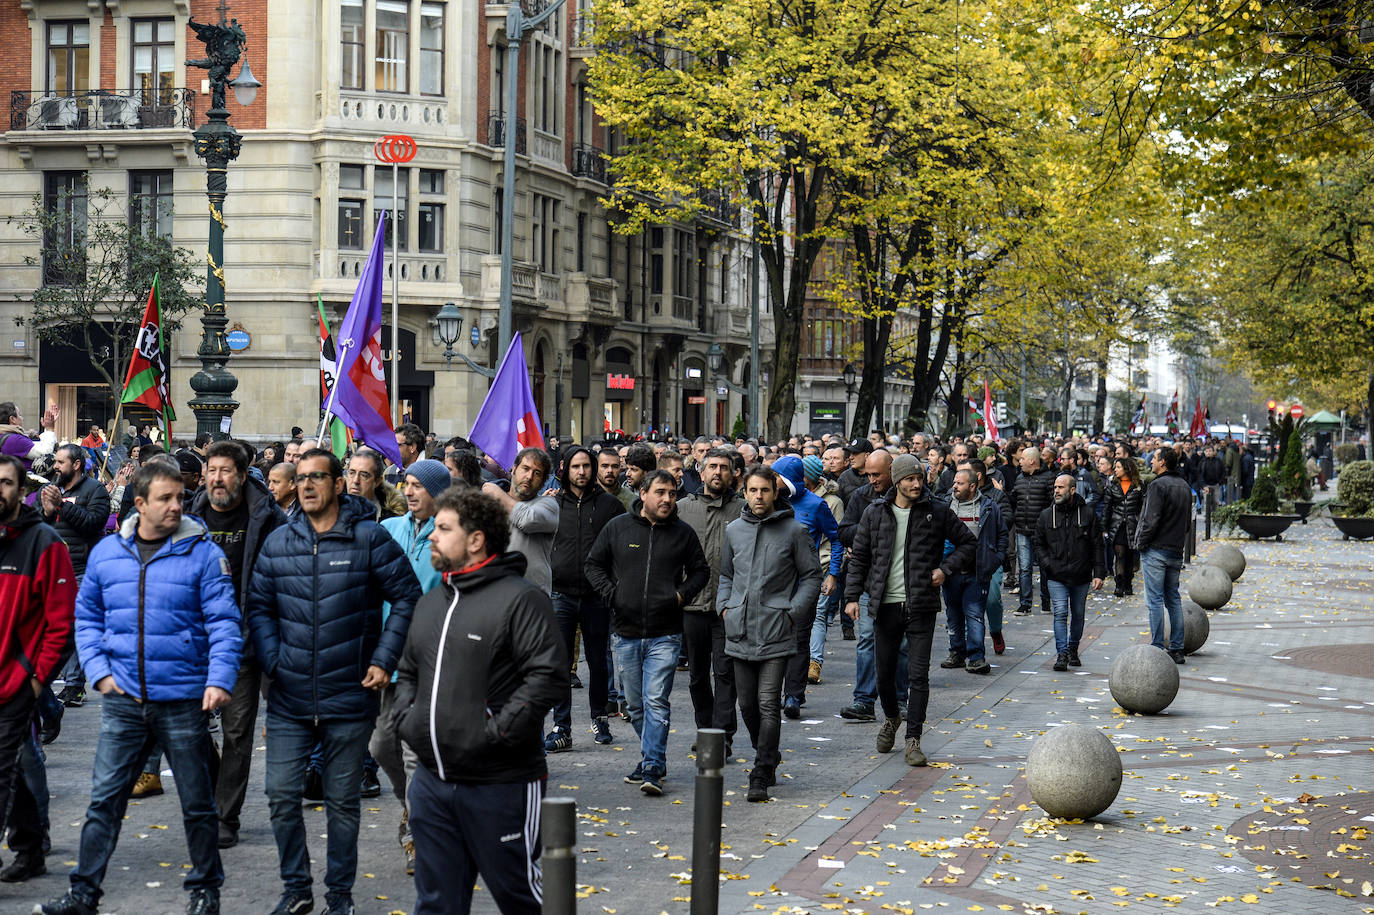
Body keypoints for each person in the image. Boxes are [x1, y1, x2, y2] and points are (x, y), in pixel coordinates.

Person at [36, 460, 240, 915]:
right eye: (165, 499)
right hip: (123, 700)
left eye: (180, 498)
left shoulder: (203, 553)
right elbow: (86, 617)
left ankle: (205, 891)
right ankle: (83, 893)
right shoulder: (110, 553)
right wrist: (98, 670)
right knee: (104, 802)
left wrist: (219, 679)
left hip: (184, 699)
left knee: (197, 803)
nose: (176, 506)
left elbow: (225, 622)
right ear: (140, 503)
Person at [246, 449, 421, 915]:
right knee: (282, 795)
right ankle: (296, 889)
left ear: (339, 485)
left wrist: (384, 658)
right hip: (289, 695)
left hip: (349, 695)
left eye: (317, 477)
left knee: (343, 803)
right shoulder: (280, 542)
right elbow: (258, 607)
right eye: (300, 478)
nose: (306, 485)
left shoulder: (370, 539)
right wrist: (273, 658)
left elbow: (407, 597)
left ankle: (339, 897)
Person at [392, 487, 564, 915]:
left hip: (499, 784)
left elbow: (547, 678)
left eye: (444, 528)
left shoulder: (521, 600)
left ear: (475, 540)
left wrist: (493, 735)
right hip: (432, 785)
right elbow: (409, 670)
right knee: (436, 904)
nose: (432, 536)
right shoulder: (431, 602)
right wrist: (408, 722)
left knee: (522, 900)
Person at [844, 454, 975, 767]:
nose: (916, 484)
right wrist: (851, 597)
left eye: (920, 478)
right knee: (884, 675)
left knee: (918, 676)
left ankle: (913, 739)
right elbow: (859, 558)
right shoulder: (875, 513)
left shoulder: (937, 512)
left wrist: (945, 569)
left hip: (921, 606)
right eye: (910, 479)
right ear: (898, 481)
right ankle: (891, 717)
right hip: (884, 606)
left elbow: (968, 544)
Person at [187, 441, 287, 850]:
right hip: (192, 644)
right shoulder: (188, 515)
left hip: (243, 642)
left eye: (226, 471)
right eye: (212, 470)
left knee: (237, 732)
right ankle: (215, 791)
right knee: (188, 729)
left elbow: (282, 579)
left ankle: (225, 815)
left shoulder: (267, 518)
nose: (217, 478)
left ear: (243, 476)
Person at [585, 470, 709, 796]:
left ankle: (653, 765)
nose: (667, 499)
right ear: (643, 494)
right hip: (624, 633)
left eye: (672, 493)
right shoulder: (618, 528)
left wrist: (680, 596)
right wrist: (612, 595)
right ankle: (651, 758)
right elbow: (593, 565)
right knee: (635, 706)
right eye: (660, 492)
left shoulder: (682, 533)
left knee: (656, 700)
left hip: (665, 633)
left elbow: (700, 571)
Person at [717, 468, 821, 802]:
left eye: (765, 490)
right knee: (746, 704)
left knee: (767, 704)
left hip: (777, 629)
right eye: (752, 490)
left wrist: (793, 611)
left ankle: (760, 772)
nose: (759, 496)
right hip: (740, 628)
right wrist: (725, 607)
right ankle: (768, 752)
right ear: (744, 492)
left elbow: (811, 576)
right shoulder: (733, 530)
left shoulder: (794, 530)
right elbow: (725, 574)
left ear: (775, 493)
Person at [0, 454, 76, 884]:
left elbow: (61, 625)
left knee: (2, 769)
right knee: (12, 768)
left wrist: (34, 681)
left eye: (7, 483)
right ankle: (30, 849)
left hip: (16, 684)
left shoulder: (44, 543)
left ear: (21, 490)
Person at [372, 457, 449, 873]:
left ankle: (421, 833)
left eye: (420, 485)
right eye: (408, 483)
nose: (411, 491)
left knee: (414, 751)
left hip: (428, 660)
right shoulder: (388, 530)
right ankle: (411, 806)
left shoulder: (450, 535)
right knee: (381, 745)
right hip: (386, 657)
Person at [543, 446, 623, 753]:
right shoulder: (551, 503)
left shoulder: (610, 505)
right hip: (560, 593)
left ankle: (600, 717)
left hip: (596, 595)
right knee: (560, 663)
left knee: (599, 660)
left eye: (586, 466)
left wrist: (612, 587)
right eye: (576, 466)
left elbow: (619, 550)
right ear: (565, 468)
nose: (582, 472)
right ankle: (561, 725)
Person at [676, 447, 742, 756]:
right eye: (712, 467)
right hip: (692, 606)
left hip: (728, 607)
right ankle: (705, 730)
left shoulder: (743, 510)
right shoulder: (681, 509)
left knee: (726, 673)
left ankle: (722, 737)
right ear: (701, 473)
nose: (717, 472)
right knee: (698, 675)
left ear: (733, 473)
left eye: (724, 467)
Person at [835, 449, 906, 721]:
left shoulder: (907, 497)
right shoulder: (860, 496)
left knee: (901, 644)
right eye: (868, 474)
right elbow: (844, 531)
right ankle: (864, 700)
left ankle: (900, 700)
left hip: (900, 583)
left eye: (877, 474)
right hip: (869, 583)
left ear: (892, 471)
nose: (872, 479)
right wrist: (868, 532)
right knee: (866, 639)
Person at [37, 444, 109, 708]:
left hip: (81, 569)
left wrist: (62, 507)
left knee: (74, 626)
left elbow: (93, 523)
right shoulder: (48, 488)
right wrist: (46, 510)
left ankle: (74, 686)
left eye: (60, 462)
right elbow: (34, 525)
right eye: (55, 462)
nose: (56, 466)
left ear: (76, 464)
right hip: (51, 570)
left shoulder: (95, 490)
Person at [769, 455, 841, 718]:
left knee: (799, 640)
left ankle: (793, 696)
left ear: (786, 479)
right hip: (773, 584)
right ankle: (774, 692)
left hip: (805, 584)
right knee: (775, 640)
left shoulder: (816, 504)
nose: (770, 482)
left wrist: (832, 574)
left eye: (775, 477)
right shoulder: (768, 503)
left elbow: (837, 539)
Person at [1035, 474, 1106, 671]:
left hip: (1081, 574)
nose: (1056, 491)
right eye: (1055, 487)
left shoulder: (1088, 514)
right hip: (1056, 574)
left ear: (1072, 490)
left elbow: (1097, 545)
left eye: (1061, 487)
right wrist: (1048, 564)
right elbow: (1039, 544)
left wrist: (1098, 572)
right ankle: (1062, 653)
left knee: (1078, 613)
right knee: (1060, 613)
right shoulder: (1047, 515)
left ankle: (1073, 648)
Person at [940, 468, 1007, 675]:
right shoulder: (944, 505)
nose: (954, 487)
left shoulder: (989, 507)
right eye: (954, 483)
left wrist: (995, 560)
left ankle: (976, 657)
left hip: (977, 571)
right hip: (950, 571)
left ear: (972, 486)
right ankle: (957, 653)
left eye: (959, 483)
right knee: (953, 615)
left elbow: (1002, 535)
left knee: (975, 614)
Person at [1134, 447, 1193, 664]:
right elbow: (1188, 522)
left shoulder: (1158, 485)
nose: (1151, 462)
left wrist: (1141, 543)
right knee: (1173, 598)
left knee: (1155, 600)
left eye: (1155, 459)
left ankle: (1158, 644)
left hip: (1157, 549)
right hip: (1175, 550)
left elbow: (1151, 519)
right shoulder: (1185, 486)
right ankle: (1176, 647)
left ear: (1163, 463)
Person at [482, 448, 558, 594]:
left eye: (537, 473)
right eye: (525, 468)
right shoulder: (489, 502)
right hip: (495, 593)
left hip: (532, 597)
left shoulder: (548, 505)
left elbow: (527, 520)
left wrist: (497, 494)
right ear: (514, 469)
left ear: (543, 483)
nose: (529, 476)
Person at [1010, 445, 1055, 616]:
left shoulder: (1048, 478)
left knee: (1045, 568)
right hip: (1022, 528)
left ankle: (1045, 602)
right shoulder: (1019, 478)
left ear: (1032, 461)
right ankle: (1025, 603)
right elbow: (1015, 499)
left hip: (1041, 531)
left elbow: (1053, 502)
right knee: (1025, 568)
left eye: (1022, 459)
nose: (1019, 462)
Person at [1102, 457, 1143, 597]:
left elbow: (1142, 507)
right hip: (1117, 524)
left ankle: (1128, 583)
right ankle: (1119, 583)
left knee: (1130, 555)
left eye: (1118, 467)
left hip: (1132, 524)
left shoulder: (1139, 485)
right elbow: (1106, 508)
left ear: (1126, 469)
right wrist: (1104, 528)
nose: (1115, 470)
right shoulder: (1112, 486)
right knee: (1120, 554)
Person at [346, 449, 402, 522]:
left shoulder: (393, 519)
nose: (355, 480)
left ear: (378, 481)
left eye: (364, 475)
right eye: (352, 473)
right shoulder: (332, 509)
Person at [0, 402, 57, 470]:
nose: (22, 418)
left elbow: (37, 447)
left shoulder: (5, 436)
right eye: (19, 415)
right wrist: (49, 429)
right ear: (12, 419)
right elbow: (45, 453)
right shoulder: (14, 439)